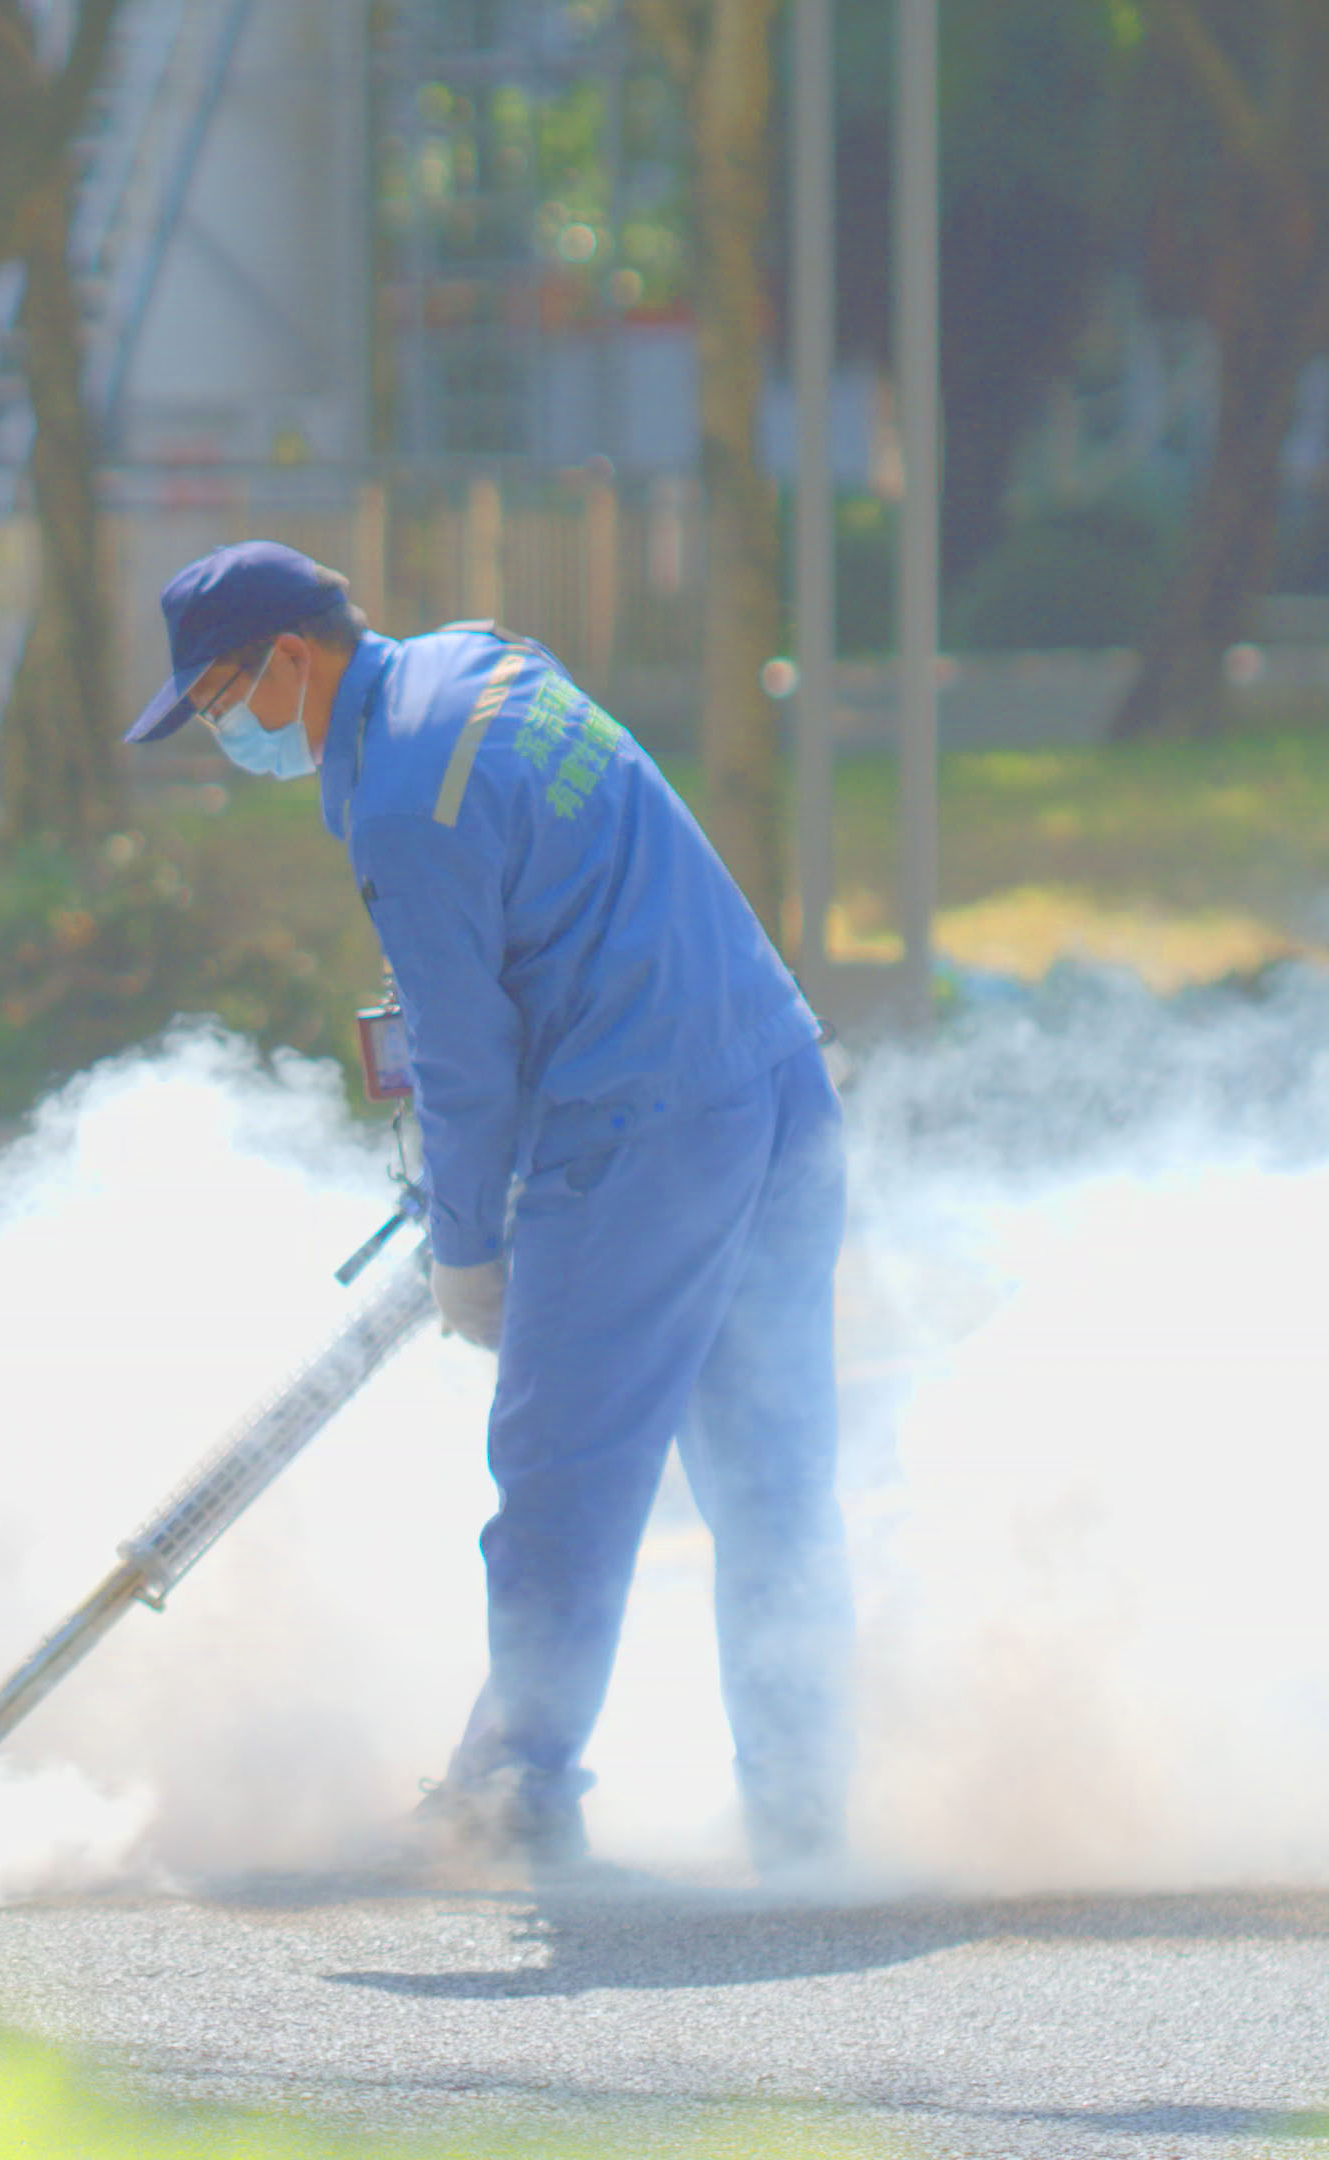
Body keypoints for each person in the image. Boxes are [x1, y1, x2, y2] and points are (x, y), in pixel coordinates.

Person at [123, 540, 853, 1875]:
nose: (226, 733)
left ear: (292, 658)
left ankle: (516, 1790)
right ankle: (808, 1828)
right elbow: (556, 893)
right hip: (775, 1073)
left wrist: (467, 1250)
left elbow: (464, 1067)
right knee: (773, 1483)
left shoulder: (398, 804)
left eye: (226, 699)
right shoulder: (486, 659)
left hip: (642, 1133)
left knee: (561, 1475)